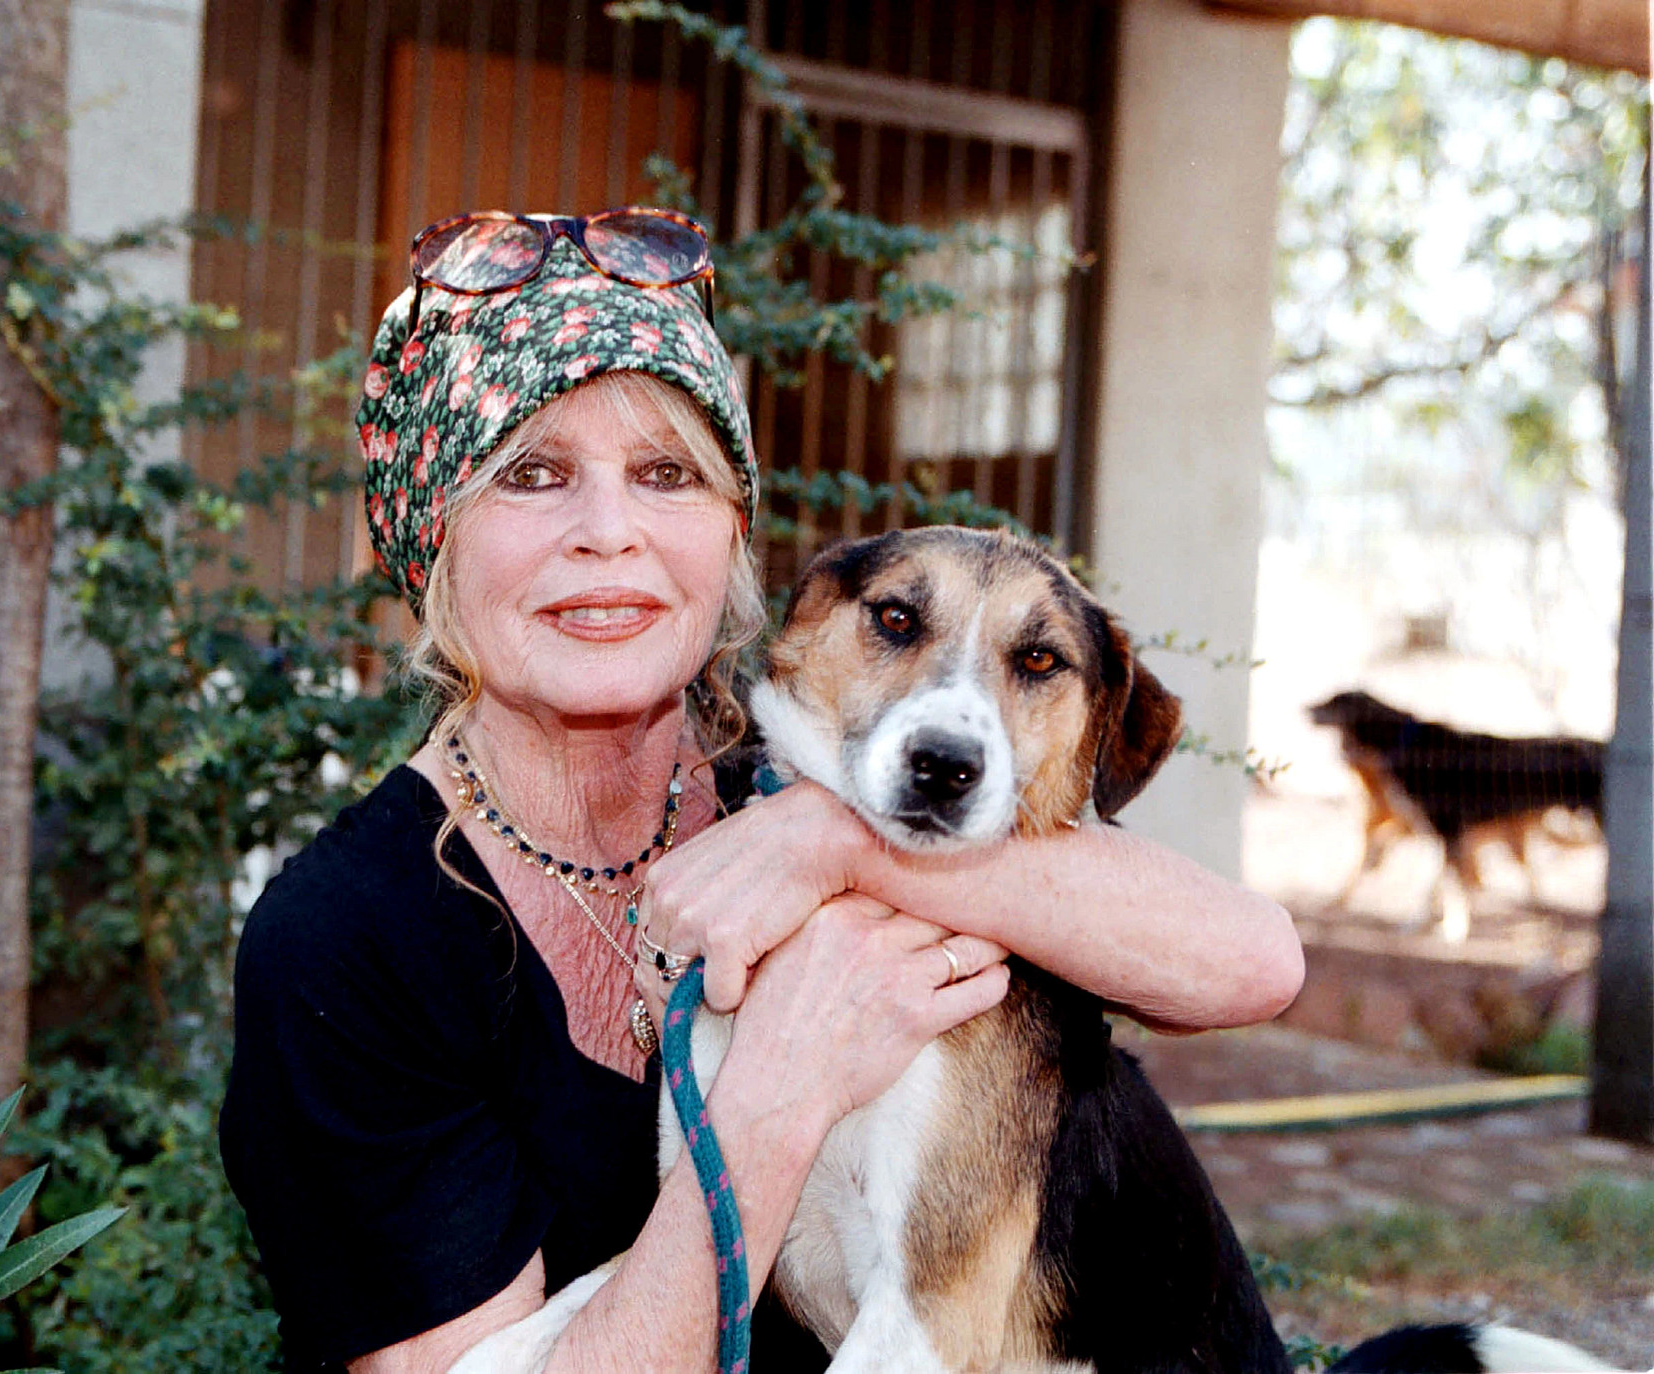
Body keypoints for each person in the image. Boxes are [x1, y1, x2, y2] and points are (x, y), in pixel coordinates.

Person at [219, 209, 1303, 1374]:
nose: (609, 533)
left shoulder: (800, 793)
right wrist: (774, 1099)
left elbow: (1249, 964)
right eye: (529, 474)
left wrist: (839, 847)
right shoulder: (347, 941)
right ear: (428, 538)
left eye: (664, 475)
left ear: (733, 534)